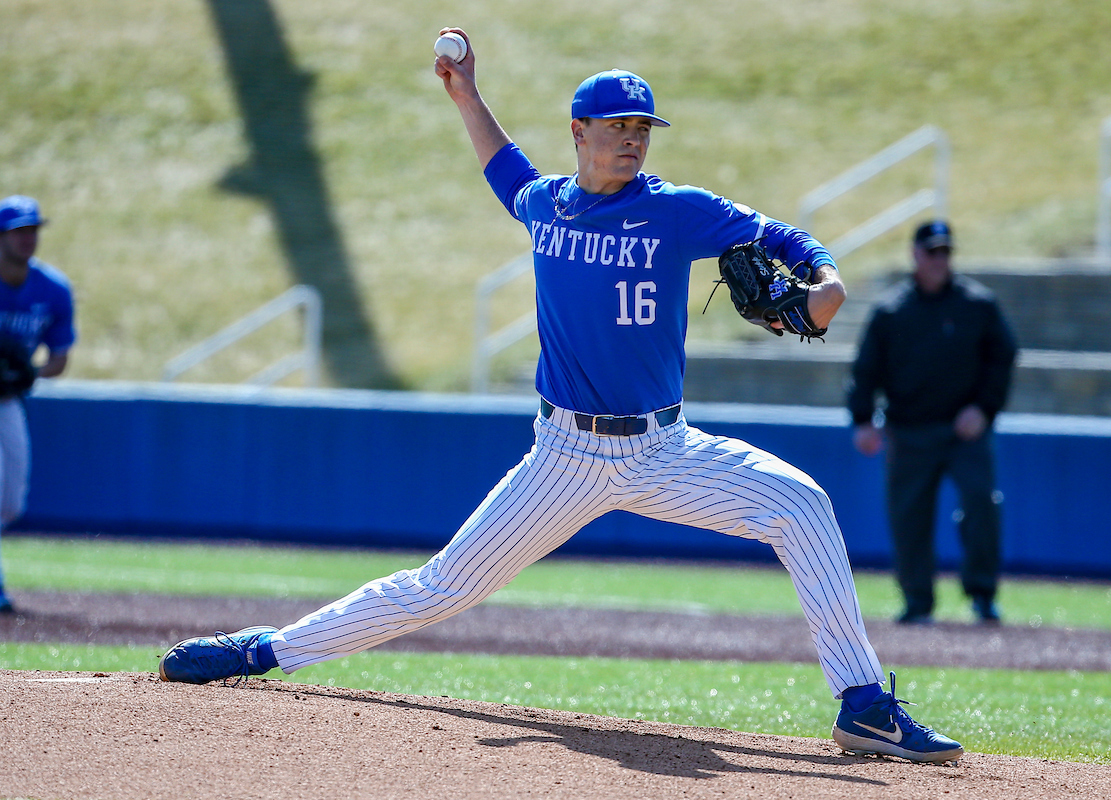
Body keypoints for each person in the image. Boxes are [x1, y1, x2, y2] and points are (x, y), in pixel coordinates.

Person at [159, 30, 964, 764]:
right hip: (564, 456)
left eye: (642, 128)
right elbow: (502, 165)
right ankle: (262, 650)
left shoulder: (676, 210)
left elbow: (781, 237)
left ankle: (862, 705)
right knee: (443, 587)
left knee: (803, 505)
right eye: (617, 127)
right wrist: (467, 94)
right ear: (578, 134)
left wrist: (825, 278)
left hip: (663, 449)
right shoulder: (547, 205)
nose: (632, 140)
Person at [848, 220, 1017, 626]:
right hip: (909, 431)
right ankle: (917, 601)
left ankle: (982, 594)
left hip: (964, 431)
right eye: (932, 252)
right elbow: (865, 369)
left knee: (981, 502)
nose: (939, 260)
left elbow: (1003, 356)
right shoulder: (891, 311)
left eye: (945, 252)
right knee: (909, 518)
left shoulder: (978, 304)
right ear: (915, 255)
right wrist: (862, 419)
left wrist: (985, 408)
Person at [0, 195, 76, 614]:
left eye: (33, 230)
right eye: (18, 230)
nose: (28, 238)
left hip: (8, 400)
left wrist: (29, 374)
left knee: (10, 502)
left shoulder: (52, 289)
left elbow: (58, 358)